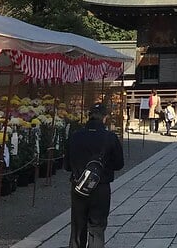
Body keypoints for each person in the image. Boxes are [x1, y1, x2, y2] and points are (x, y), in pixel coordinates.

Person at [64, 103, 125, 248]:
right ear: (104, 118)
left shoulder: (75, 136)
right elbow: (119, 164)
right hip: (100, 186)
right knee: (97, 227)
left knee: (78, 227)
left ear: (88, 117)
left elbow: (66, 166)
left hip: (78, 185)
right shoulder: (110, 137)